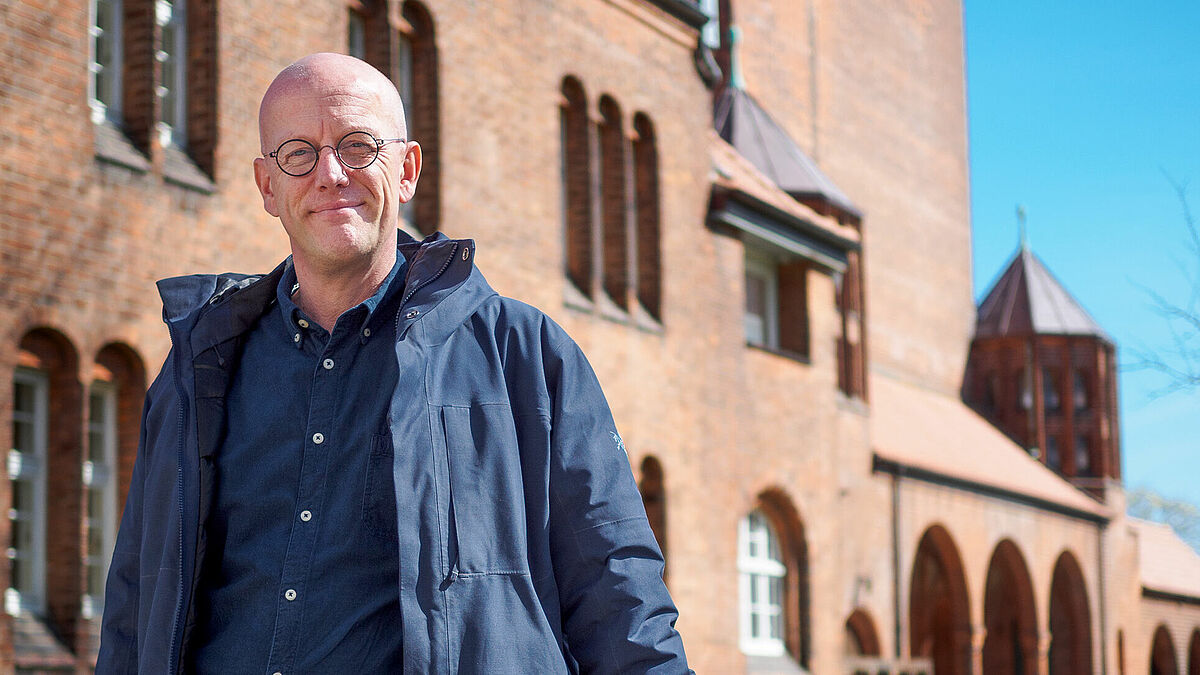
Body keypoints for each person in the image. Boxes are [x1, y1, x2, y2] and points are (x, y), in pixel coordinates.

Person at [97, 53, 690, 674]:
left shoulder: (524, 356)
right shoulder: (201, 370)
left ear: (406, 170)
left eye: (357, 147)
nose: (329, 174)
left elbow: (620, 599)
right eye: (298, 154)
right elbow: (137, 600)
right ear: (267, 186)